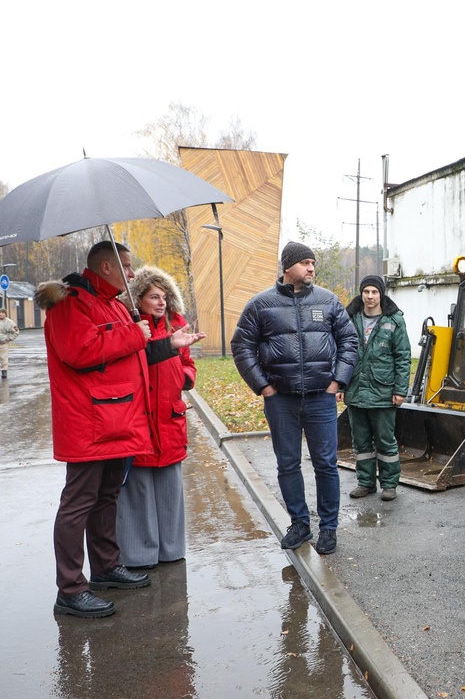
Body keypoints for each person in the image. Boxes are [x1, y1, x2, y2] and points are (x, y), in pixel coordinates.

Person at [37, 241, 204, 618]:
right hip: (87, 423)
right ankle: (71, 589)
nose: (132, 274)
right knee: (77, 505)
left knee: (107, 496)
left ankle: (106, 567)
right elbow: (80, 351)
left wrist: (168, 344)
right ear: (106, 267)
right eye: (126, 267)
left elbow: (134, 354)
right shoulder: (71, 303)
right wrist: (136, 334)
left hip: (115, 421)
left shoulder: (113, 304)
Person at [231, 241, 358, 555]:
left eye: (313, 263)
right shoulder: (261, 305)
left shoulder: (328, 301)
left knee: (326, 465)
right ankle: (299, 524)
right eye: (304, 263)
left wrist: (337, 380)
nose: (311, 268)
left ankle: (328, 529)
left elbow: (349, 340)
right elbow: (242, 346)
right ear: (287, 267)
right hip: (281, 400)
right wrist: (264, 387)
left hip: (321, 399)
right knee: (287, 465)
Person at [116, 266, 198, 569]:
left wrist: (184, 378)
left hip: (169, 416)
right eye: (154, 297)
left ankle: (171, 550)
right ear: (139, 300)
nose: (161, 302)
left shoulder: (177, 324)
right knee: (138, 488)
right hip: (139, 416)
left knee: (169, 489)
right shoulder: (132, 327)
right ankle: (139, 555)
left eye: (164, 296)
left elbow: (189, 365)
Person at [339, 274, 411, 501]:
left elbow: (403, 357)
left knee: (385, 440)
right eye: (366, 292)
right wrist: (341, 384)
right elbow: (340, 354)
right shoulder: (349, 319)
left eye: (374, 292)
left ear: (381, 294)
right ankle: (366, 483)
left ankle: (389, 484)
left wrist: (400, 390)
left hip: (383, 392)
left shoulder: (394, 320)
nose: (370, 296)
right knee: (360, 441)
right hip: (356, 390)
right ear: (361, 294)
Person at [0, 308, 19, 378]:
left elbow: (16, 332)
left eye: (2, 313)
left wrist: (9, 338)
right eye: (0, 312)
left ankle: (4, 371)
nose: (1, 314)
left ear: (5, 314)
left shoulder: (10, 322)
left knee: (3, 357)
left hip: (3, 343)